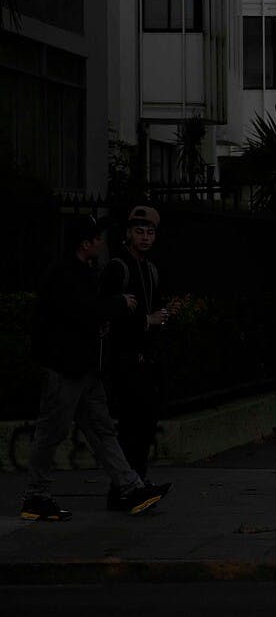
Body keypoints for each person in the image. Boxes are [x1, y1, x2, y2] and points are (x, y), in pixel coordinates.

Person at [20, 216, 170, 521]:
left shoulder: (84, 272)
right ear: (85, 243)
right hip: (65, 367)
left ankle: (129, 487)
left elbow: (89, 313)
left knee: (102, 428)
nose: (101, 243)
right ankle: (36, 496)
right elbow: (84, 311)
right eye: (96, 238)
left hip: (85, 367)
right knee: (52, 431)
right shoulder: (63, 274)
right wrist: (119, 303)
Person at [101, 205, 171, 497]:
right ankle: (124, 487)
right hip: (124, 359)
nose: (145, 237)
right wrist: (146, 320)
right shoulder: (119, 268)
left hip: (145, 358)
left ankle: (137, 481)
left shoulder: (150, 270)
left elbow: (155, 307)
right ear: (128, 233)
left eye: (150, 232)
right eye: (139, 231)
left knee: (145, 421)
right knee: (132, 423)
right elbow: (106, 313)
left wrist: (160, 318)